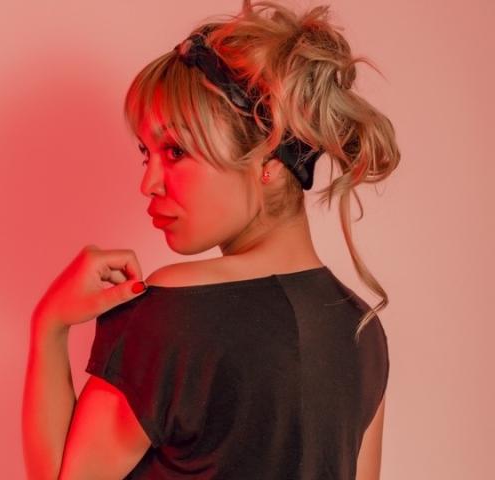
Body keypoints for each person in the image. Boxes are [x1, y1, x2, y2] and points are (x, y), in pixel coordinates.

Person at [22, 0, 400, 478]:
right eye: (146, 154)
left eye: (175, 151)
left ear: (267, 160)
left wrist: (49, 325)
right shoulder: (362, 332)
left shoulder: (171, 317)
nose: (148, 183)